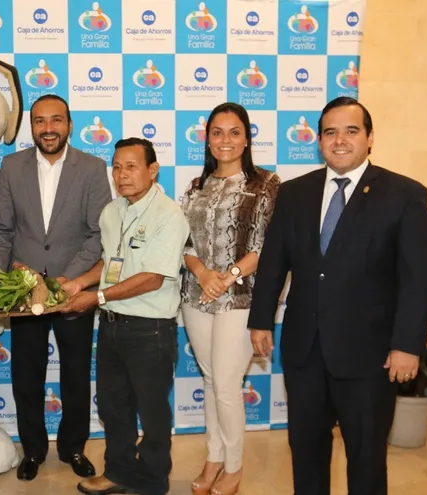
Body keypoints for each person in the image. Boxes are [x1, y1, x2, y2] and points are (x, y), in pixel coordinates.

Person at [248, 97, 427, 495]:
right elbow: (273, 261)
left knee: (366, 459)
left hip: (370, 356)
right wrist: (261, 318)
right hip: (305, 351)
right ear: (319, 140)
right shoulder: (296, 192)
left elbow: (418, 278)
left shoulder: (404, 195)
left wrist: (407, 345)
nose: (340, 140)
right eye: (330, 132)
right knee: (306, 452)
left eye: (351, 131)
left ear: (370, 139)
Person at [0, 94, 112, 481]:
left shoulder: (92, 168)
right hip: (25, 294)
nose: (48, 128)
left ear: (69, 125)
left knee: (75, 374)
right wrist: (8, 277)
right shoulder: (11, 166)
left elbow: (98, 233)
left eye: (56, 120)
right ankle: (34, 450)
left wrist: (68, 278)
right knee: (27, 375)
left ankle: (73, 447)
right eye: (40, 121)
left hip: (73, 289)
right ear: (31, 127)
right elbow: (1, 230)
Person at [60, 138, 190, 495]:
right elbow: (111, 263)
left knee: (152, 413)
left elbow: (152, 277)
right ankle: (117, 472)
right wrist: (80, 283)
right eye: (116, 167)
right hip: (112, 326)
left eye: (131, 167)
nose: (121, 175)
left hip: (150, 331)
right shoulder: (112, 212)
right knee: (115, 408)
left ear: (152, 170)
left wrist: (96, 297)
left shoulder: (169, 215)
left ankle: (152, 480)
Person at [179, 102, 280, 495]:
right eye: (217, 132)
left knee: (225, 385)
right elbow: (184, 242)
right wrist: (203, 274)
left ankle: (234, 466)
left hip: (241, 298)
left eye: (234, 132)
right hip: (196, 295)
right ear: (207, 139)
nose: (225, 140)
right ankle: (214, 458)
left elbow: (267, 245)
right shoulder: (195, 186)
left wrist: (229, 276)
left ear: (247, 137)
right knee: (210, 379)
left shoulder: (266, 184)